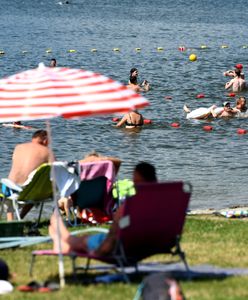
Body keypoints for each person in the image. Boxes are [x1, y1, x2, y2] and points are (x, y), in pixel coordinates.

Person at [50, 162, 157, 254]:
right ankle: (64, 238)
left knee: (81, 240)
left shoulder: (133, 206)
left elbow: (113, 237)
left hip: (122, 244)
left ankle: (64, 238)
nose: (133, 183)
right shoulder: (160, 202)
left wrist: (100, 250)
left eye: (135, 180)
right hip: (150, 241)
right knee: (84, 239)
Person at [58, 151, 122, 220]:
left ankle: (78, 216)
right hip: (101, 202)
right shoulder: (106, 167)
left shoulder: (77, 167)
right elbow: (119, 162)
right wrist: (103, 159)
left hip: (81, 202)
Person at [5, 130, 54, 221]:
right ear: (45, 140)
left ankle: (10, 221)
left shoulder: (18, 147)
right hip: (29, 192)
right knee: (38, 187)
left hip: (9, 189)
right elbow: (56, 169)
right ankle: (21, 217)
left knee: (10, 197)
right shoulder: (47, 152)